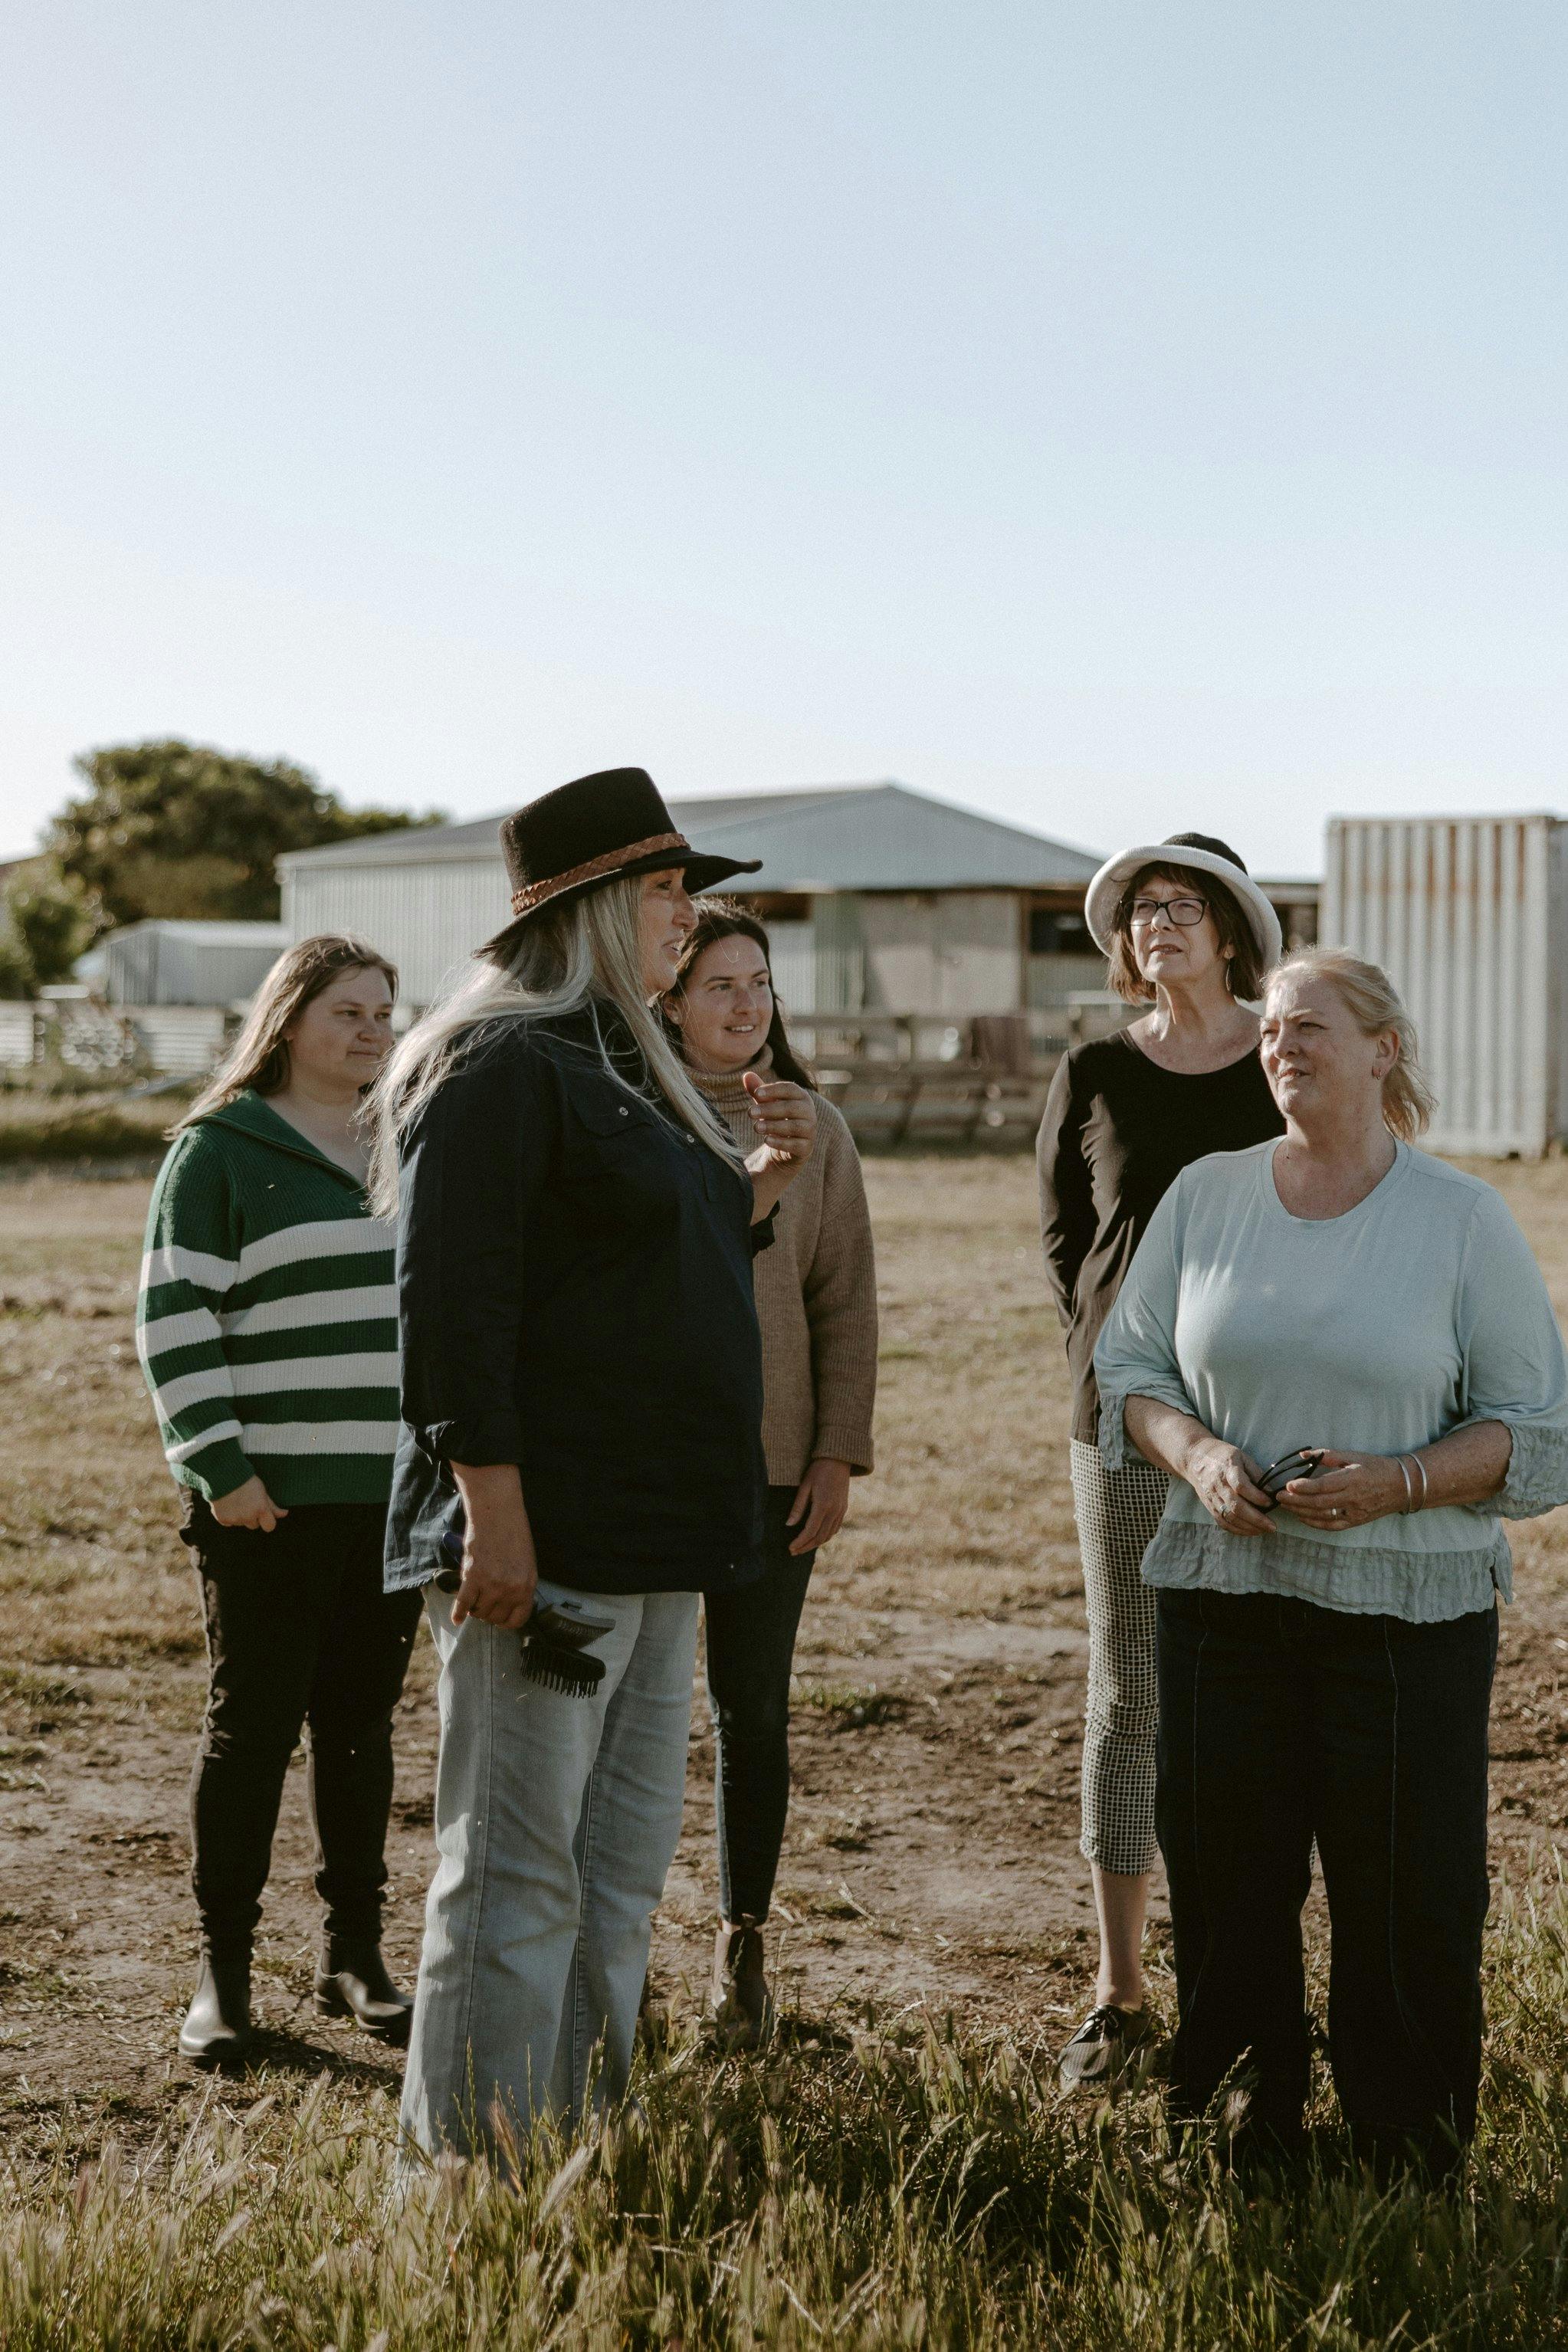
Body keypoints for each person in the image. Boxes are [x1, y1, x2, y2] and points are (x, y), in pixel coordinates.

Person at [370, 767, 817, 2162]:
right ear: (593, 907)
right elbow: (456, 1306)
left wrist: (755, 1189)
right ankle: (466, 2181)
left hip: (661, 1538)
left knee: (615, 1877)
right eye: (669, 889)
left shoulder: (629, 1068)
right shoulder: (500, 1061)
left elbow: (635, 1275)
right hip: (543, 1543)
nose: (688, 914)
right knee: (513, 1881)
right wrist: (488, 1513)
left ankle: (571, 2146)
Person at [1094, 946, 1568, 2173]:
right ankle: (1243, 2138)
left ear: (1381, 1049)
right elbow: (1131, 1371)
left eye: (1309, 1026)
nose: (1280, 1045)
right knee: (1228, 1887)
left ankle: (1406, 2153)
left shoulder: (1459, 1219)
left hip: (1405, 1622)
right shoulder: (1204, 1194)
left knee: (1408, 1902)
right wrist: (1197, 1456)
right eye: (1270, 1030)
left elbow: (1536, 1430)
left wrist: (1400, 1479)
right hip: (1223, 1600)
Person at [136, 934, 420, 2065]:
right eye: (347, 1009)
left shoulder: (403, 1140)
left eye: (384, 1011)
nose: (370, 1029)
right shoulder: (219, 1149)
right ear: (288, 1017)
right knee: (251, 1730)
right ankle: (224, 1971)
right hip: (268, 1503)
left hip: (389, 1499)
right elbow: (172, 1318)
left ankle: (354, 1954)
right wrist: (222, 1467)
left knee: (358, 1729)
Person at [1036, 834, 1284, 2091]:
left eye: (1181, 904)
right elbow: (1065, 1239)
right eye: (1138, 910)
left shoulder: (1283, 1055)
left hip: (1267, 1420)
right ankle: (1121, 1990)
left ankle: (1249, 1989)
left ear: (1234, 929)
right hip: (1124, 1417)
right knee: (1131, 1688)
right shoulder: (1090, 1066)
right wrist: (1116, 1357)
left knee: (1254, 1693)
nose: (1155, 924)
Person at [662, 900, 878, 2045]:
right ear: (667, 999)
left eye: (760, 984)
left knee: (751, 1706)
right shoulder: (628, 1110)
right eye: (719, 986)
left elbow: (843, 1297)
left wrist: (836, 1448)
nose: (747, 1006)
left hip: (772, 1462)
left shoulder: (816, 1126)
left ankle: (739, 1953)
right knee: (634, 1720)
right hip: (645, 1465)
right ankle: (611, 1952)